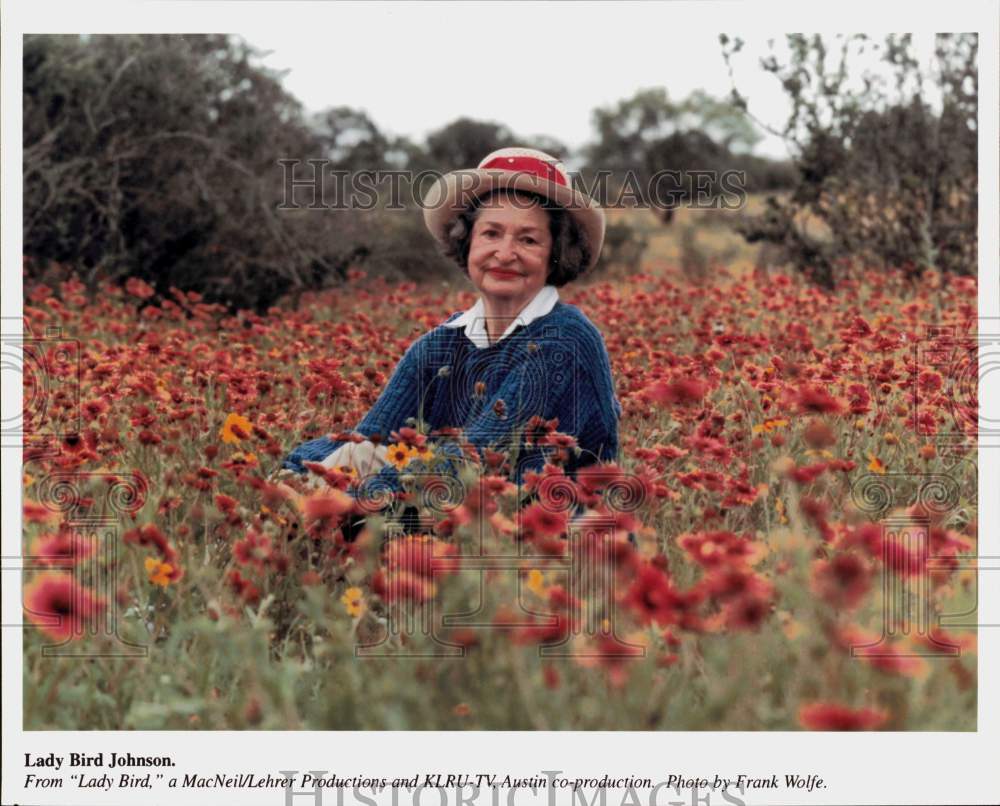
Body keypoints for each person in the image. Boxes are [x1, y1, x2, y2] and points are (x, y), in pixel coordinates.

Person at [280, 147, 622, 494]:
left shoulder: (565, 340)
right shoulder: (441, 344)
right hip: (451, 509)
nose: (504, 254)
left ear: (556, 254)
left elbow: (477, 459)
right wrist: (295, 471)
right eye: (491, 233)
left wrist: (353, 501)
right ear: (467, 241)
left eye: (528, 239)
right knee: (352, 457)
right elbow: (369, 437)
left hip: (543, 531)